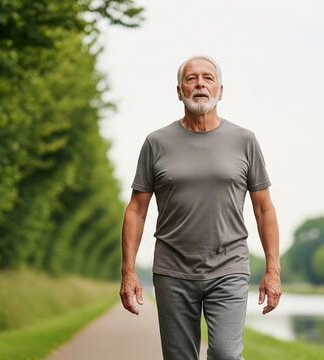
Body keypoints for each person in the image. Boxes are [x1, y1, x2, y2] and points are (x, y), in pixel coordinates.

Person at [119, 55, 281, 360]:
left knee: (225, 354)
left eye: (208, 78)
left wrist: (273, 269)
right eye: (191, 78)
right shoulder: (156, 142)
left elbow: (264, 209)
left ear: (220, 90)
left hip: (229, 267)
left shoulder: (245, 141)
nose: (200, 84)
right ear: (179, 92)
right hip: (172, 270)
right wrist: (128, 271)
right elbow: (136, 210)